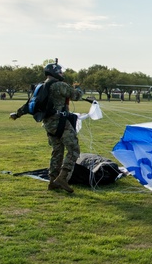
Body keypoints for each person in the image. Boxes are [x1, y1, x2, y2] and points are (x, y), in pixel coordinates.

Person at [9, 60, 92, 194]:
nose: (62, 74)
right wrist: (78, 89)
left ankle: (53, 181)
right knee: (74, 149)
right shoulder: (59, 85)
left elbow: (29, 105)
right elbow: (76, 96)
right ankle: (62, 178)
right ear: (55, 72)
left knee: (57, 150)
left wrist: (17, 114)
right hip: (60, 122)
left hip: (48, 123)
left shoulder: (41, 86)